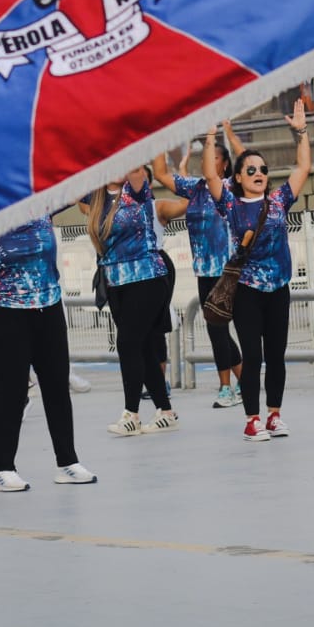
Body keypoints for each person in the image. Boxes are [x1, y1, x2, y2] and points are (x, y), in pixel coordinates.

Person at [205, 100, 311, 441]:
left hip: (278, 287)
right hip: (248, 290)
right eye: (251, 170)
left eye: (263, 169)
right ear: (237, 177)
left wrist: (301, 133)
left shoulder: (278, 200)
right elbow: (209, 175)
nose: (259, 174)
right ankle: (252, 419)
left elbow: (304, 167)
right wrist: (209, 137)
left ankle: (274, 414)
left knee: (277, 355)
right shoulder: (232, 204)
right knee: (253, 355)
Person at [0, 215, 95, 491]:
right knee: (12, 392)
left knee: (57, 385)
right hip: (5, 308)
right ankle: (3, 468)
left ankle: (67, 461)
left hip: (48, 305)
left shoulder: (44, 203)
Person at [87, 165, 182, 436]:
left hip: (147, 277)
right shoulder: (96, 199)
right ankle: (166, 411)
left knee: (127, 343)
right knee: (142, 348)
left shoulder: (136, 190)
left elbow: (137, 162)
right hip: (116, 283)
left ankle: (131, 415)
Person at [154, 133, 243, 408]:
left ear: (225, 165)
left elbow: (246, 160)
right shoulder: (194, 188)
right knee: (217, 329)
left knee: (219, 329)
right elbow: (160, 174)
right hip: (203, 270)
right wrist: (157, 136)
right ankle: (245, 380)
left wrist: (219, 136)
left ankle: (227, 387)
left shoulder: (229, 187)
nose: (207, 161)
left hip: (227, 270)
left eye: (214, 157)